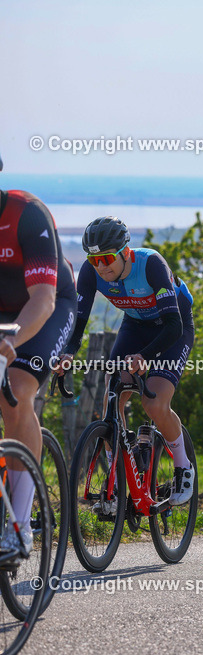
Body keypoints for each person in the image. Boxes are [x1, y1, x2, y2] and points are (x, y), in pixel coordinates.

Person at [60, 216, 196, 506]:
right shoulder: (91, 271)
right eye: (94, 260)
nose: (101, 266)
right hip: (136, 325)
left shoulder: (151, 264)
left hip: (174, 325)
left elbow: (173, 325)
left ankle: (183, 466)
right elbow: (79, 319)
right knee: (112, 399)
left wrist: (144, 357)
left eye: (107, 258)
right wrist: (67, 351)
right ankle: (119, 475)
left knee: (154, 403)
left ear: (125, 252)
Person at [0, 152, 78, 559]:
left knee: (15, 388)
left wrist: (9, 344)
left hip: (48, 306)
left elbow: (44, 300)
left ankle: (22, 524)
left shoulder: (26, 213)